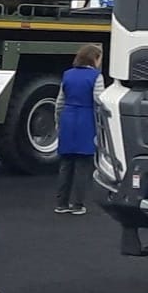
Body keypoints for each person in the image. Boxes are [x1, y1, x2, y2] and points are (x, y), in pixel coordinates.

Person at [54, 43, 103, 215]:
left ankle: (61, 203)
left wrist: (58, 122)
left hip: (68, 118)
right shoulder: (96, 76)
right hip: (86, 120)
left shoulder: (67, 74)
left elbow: (59, 102)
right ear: (94, 58)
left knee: (66, 163)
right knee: (83, 164)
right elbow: (99, 100)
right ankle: (77, 204)